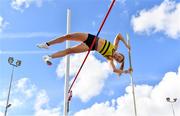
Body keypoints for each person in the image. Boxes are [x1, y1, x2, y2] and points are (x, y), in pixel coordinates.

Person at [37, 32, 132, 75]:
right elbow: (119, 35)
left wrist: (125, 72)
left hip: (90, 47)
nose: (117, 57)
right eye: (119, 56)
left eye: (117, 59)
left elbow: (114, 70)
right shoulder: (114, 47)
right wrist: (127, 45)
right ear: (120, 53)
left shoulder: (109, 57)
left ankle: (49, 57)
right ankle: (47, 44)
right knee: (67, 36)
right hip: (91, 38)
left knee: (69, 51)